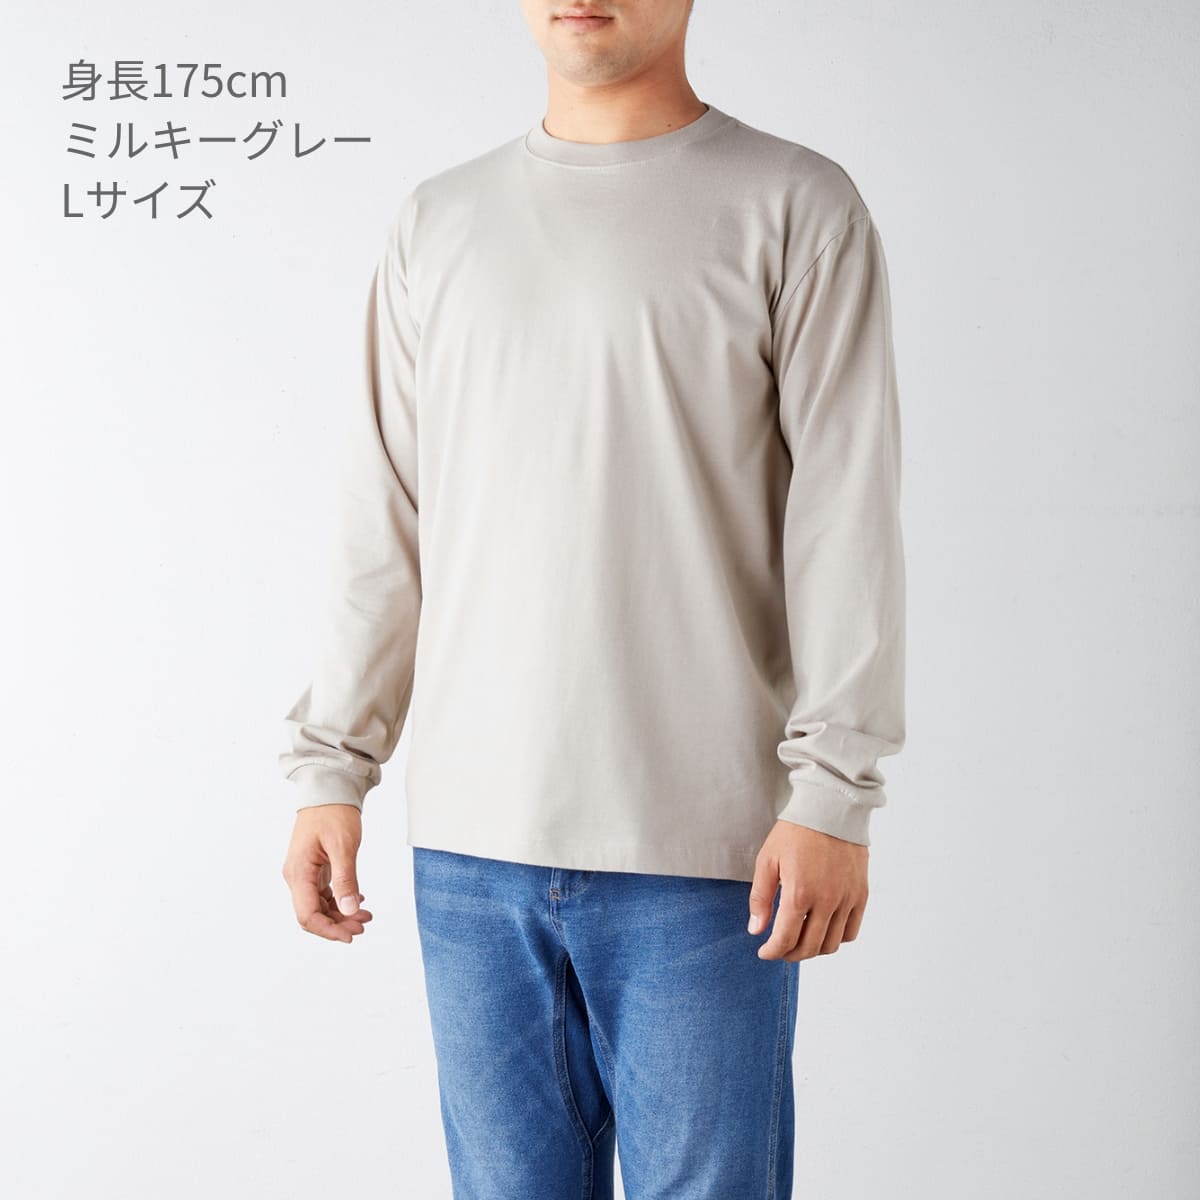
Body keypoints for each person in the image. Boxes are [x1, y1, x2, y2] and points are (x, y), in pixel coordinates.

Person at [278, 1, 906, 1195]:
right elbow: (385, 518)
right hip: (471, 850)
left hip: (708, 850)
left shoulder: (795, 206)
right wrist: (331, 768)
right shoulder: (437, 223)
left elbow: (845, 519)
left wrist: (835, 793)